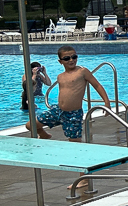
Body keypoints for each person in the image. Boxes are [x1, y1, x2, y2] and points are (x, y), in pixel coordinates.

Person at [28, 46, 112, 191]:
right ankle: (45, 135)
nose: (71, 60)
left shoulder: (82, 72)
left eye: (74, 57)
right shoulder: (60, 76)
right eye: (67, 58)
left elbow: (97, 85)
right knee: (31, 125)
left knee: (76, 147)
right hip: (58, 110)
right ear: (60, 61)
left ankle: (83, 178)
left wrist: (107, 103)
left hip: (73, 114)